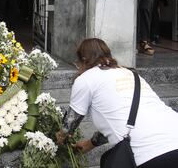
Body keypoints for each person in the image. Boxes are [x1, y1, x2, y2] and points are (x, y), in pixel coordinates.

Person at [56, 38, 178, 167]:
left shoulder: (85, 79)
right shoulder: (131, 74)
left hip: (149, 153)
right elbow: (119, 117)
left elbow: (68, 125)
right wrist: (90, 144)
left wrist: (57, 139)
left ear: (84, 59)